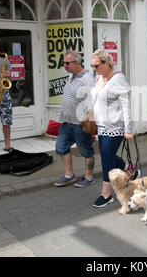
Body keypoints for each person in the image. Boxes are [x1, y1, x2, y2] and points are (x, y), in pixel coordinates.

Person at [90, 49, 136, 208]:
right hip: (101, 126)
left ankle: (106, 194)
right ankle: (130, 171)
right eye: (92, 66)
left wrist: (129, 129)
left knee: (106, 158)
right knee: (105, 154)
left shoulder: (119, 79)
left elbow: (127, 105)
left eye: (96, 65)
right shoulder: (97, 78)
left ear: (107, 63)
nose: (94, 69)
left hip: (115, 126)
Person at [53, 50, 96, 188]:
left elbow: (90, 101)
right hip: (67, 121)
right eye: (63, 63)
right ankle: (69, 175)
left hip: (79, 123)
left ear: (77, 63)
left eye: (67, 63)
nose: (64, 65)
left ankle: (89, 177)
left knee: (86, 151)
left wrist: (86, 120)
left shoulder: (87, 79)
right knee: (61, 147)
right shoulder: (72, 76)